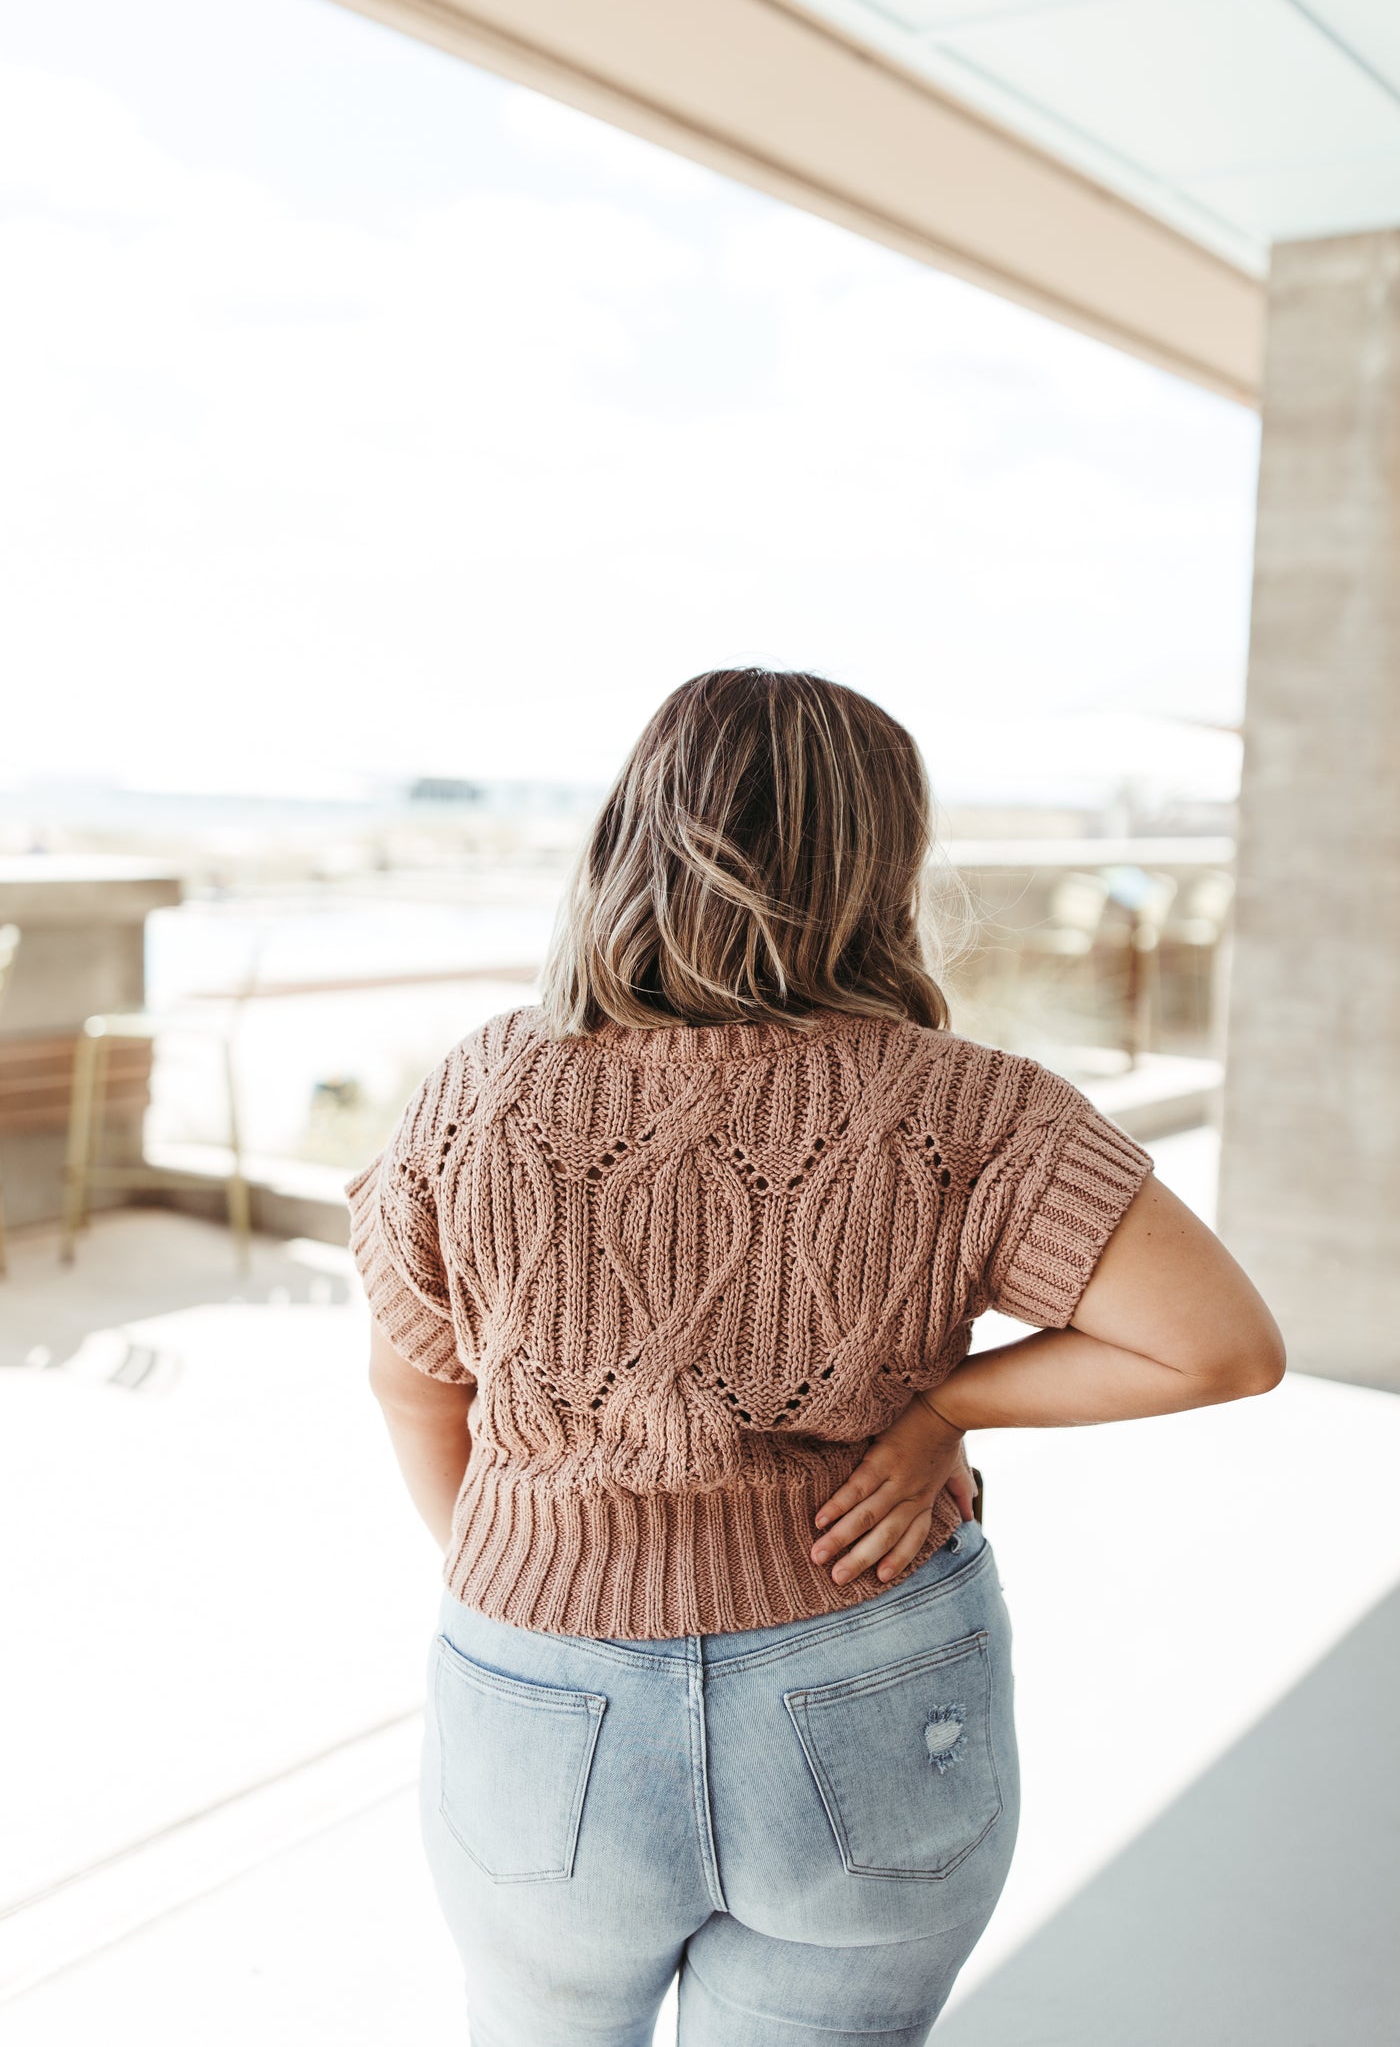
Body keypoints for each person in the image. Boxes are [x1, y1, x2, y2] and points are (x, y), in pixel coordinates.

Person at [347, 668, 1284, 2047]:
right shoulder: (969, 1107)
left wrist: (536, 1605)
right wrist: (942, 1410)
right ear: (883, 862)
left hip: (538, 1691)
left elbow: (416, 1380)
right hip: (863, 1665)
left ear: (632, 836)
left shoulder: (483, 1088)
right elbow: (1221, 1350)